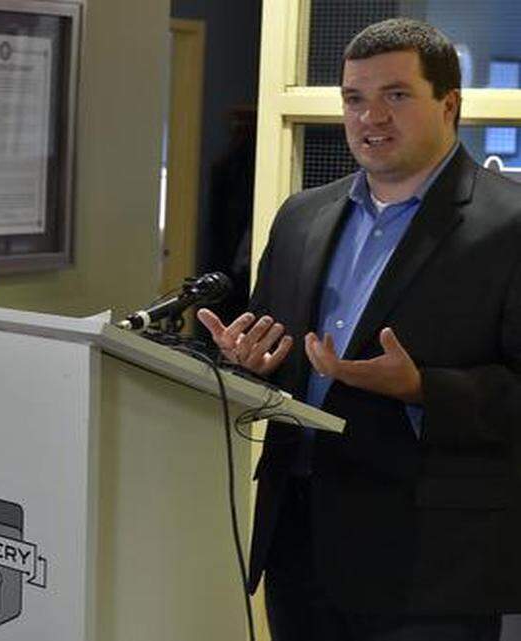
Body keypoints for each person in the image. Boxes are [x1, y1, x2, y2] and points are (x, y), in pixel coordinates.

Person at [199, 18, 521, 641]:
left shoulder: (509, 225)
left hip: (429, 563)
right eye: (354, 98)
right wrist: (251, 361)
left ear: (449, 104)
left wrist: (422, 388)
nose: (370, 117)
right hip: (298, 542)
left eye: (396, 95)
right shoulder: (301, 216)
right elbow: (283, 353)